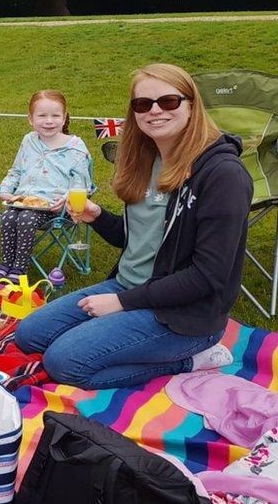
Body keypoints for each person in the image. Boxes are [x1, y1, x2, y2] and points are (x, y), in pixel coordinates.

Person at [14, 63, 252, 390]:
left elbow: (208, 276)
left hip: (183, 314)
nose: (155, 111)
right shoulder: (147, 158)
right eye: (143, 104)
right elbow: (139, 240)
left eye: (168, 101)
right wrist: (97, 216)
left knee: (64, 363)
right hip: (126, 287)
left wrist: (122, 304)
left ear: (192, 105)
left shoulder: (222, 174)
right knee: (29, 335)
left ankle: (194, 359)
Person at [0, 90, 92, 283]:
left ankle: (19, 268)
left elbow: (82, 184)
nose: (48, 121)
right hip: (22, 202)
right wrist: (5, 191)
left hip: (56, 208)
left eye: (55, 116)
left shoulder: (75, 148)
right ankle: (5, 264)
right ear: (31, 119)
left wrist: (66, 201)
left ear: (64, 118)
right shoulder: (29, 141)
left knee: (26, 218)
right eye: (42, 115)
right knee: (9, 216)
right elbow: (16, 171)